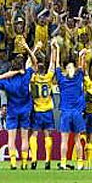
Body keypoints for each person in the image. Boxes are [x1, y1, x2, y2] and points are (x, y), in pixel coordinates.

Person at [0, 42, 35, 170]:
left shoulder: (7, 82)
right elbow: (34, 63)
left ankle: (13, 162)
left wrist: (5, 75)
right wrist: (29, 49)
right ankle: (24, 162)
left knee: (11, 138)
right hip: (25, 110)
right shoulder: (26, 76)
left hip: (12, 111)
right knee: (24, 138)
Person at [55, 40, 87, 170]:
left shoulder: (61, 79)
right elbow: (82, 67)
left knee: (64, 140)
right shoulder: (78, 78)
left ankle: (63, 163)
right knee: (77, 139)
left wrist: (57, 49)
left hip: (66, 113)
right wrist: (81, 55)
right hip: (77, 113)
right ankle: (80, 163)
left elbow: (56, 65)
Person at [29, 40, 56, 170]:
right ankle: (47, 159)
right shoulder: (48, 77)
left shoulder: (33, 78)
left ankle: (34, 158)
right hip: (47, 110)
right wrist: (54, 49)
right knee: (47, 135)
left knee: (34, 134)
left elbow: (28, 64)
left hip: (37, 110)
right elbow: (53, 64)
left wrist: (35, 49)